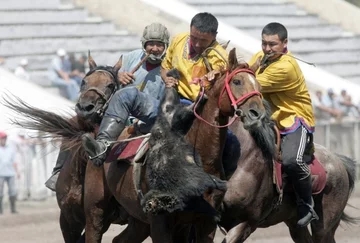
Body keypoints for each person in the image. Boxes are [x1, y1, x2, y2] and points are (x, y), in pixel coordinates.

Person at [81, 12, 228, 167]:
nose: (197, 44)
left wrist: (217, 75)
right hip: (168, 106)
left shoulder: (220, 57)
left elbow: (224, 79)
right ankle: (102, 147)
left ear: (214, 36)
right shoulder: (176, 41)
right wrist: (163, 77)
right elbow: (166, 67)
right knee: (125, 95)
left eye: (203, 40)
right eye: (194, 38)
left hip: (195, 111)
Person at [44, 23, 170, 191]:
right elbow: (109, 77)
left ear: (165, 46)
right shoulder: (129, 58)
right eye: (151, 44)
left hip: (148, 118)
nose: (154, 48)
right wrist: (119, 75)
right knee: (75, 121)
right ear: (144, 44)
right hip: (118, 114)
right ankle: (58, 171)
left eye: (159, 45)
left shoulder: (170, 65)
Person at [248, 22, 318, 227]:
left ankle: (307, 203)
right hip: (269, 120)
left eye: (272, 44)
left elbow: (252, 84)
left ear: (285, 43)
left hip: (293, 121)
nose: (267, 48)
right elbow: (247, 69)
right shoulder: (261, 56)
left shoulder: (285, 67)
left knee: (291, 161)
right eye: (264, 43)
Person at [0, 131, 20, 214]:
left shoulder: (10, 149)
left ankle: (13, 208)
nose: (4, 140)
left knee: (12, 191)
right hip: (0, 173)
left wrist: (17, 172)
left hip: (10, 173)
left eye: (5, 138)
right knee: (0, 191)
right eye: (2, 138)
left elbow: (14, 162)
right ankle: (0, 210)